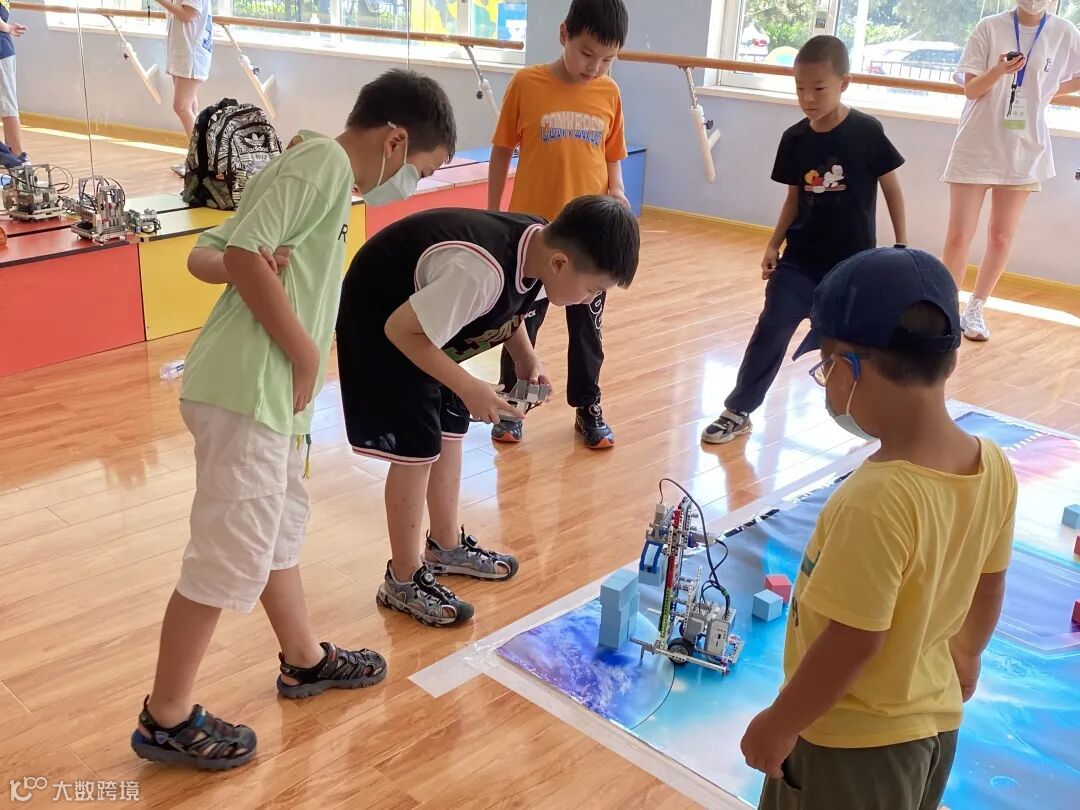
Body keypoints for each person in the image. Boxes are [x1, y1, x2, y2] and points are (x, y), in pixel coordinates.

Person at [130, 69, 457, 770]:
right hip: (248, 390)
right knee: (227, 553)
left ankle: (304, 659)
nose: (411, 185)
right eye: (421, 170)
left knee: (275, 530)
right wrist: (305, 350)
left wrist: (257, 264)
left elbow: (208, 253)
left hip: (268, 398)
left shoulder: (312, 168)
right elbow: (236, 253)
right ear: (396, 141)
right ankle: (166, 716)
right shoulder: (324, 164)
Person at [739, 246, 1017, 810]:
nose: (827, 384)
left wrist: (780, 722)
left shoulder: (876, 498)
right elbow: (990, 585)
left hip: (850, 744)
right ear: (949, 360)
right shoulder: (991, 464)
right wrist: (967, 656)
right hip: (934, 723)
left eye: (825, 369)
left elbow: (853, 640)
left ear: (847, 371)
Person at [336, 196, 639, 627]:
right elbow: (402, 330)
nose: (589, 299)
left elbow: (513, 307)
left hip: (428, 323)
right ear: (560, 263)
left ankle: (444, 547)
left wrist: (526, 356)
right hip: (384, 324)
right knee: (416, 451)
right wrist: (467, 384)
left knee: (449, 429)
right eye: (593, 289)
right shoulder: (479, 273)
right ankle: (401, 579)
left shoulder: (542, 246)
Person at [702, 36, 906, 446]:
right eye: (800, 89)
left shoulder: (866, 131)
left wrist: (901, 247)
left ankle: (878, 416)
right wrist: (772, 244)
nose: (808, 98)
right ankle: (739, 409)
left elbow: (892, 189)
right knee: (772, 326)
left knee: (852, 344)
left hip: (851, 266)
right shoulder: (794, 138)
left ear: (844, 83)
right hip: (800, 261)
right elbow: (793, 199)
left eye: (819, 88)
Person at [487, 0, 630, 449]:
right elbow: (501, 150)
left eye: (608, 58)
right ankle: (513, 405)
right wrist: (494, 212)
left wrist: (617, 189)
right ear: (564, 34)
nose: (595, 67)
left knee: (588, 332)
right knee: (520, 326)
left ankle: (588, 408)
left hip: (590, 240)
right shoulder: (526, 84)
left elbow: (612, 154)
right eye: (587, 53)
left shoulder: (609, 92)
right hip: (535, 239)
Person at [942, 0, 1080, 342]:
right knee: (959, 235)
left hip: (1023, 147)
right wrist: (999, 71)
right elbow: (971, 89)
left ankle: (976, 308)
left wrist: (1049, 89)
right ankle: (945, 308)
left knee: (1001, 235)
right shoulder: (990, 26)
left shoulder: (1064, 31)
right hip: (977, 143)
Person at [156, 0, 214, 175]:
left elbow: (188, 14)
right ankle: (196, 159)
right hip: (182, 52)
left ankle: (201, 161)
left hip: (191, 53)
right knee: (190, 107)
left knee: (182, 107)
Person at [0, 0, 27, 163]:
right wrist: (8, 27)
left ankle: (15, 156)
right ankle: (15, 156)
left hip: (3, 51)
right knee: (7, 105)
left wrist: (8, 27)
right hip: (3, 51)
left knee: (7, 104)